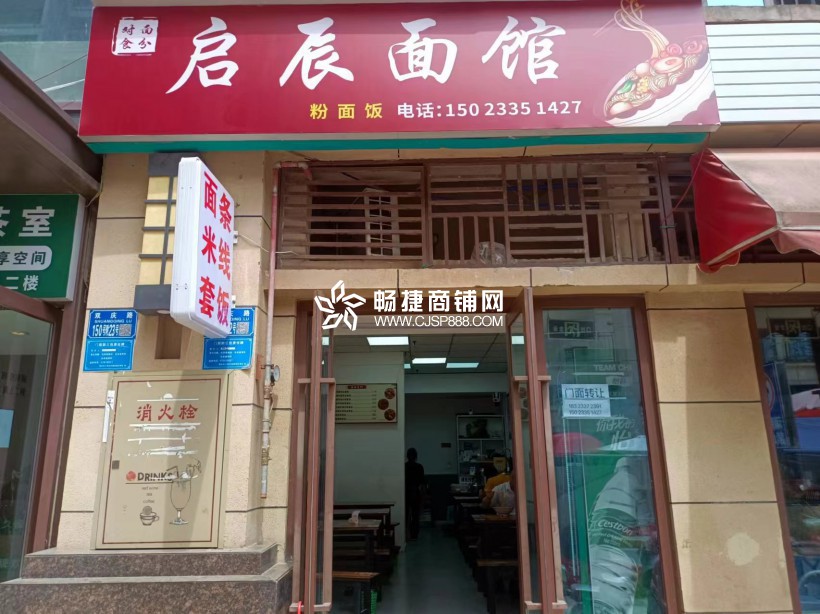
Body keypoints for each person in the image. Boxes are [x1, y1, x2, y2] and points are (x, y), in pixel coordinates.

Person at [405, 448, 425, 541]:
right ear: (416, 456)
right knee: (415, 515)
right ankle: (414, 534)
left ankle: (405, 532)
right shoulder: (419, 467)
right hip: (416, 493)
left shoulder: (404, 467)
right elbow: (422, 483)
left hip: (405, 492)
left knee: (406, 514)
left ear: (407, 456)